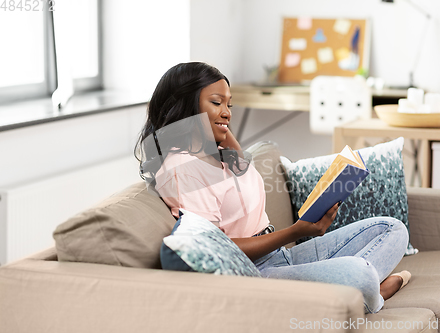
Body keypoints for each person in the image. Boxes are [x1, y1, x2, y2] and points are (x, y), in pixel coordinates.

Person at [135, 62, 411, 314]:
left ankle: (352, 293)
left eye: (230, 104)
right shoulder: (181, 169)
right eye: (217, 102)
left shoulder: (216, 151)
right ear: (186, 106)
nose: (227, 113)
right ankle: (372, 294)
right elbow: (222, 249)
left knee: (393, 229)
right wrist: (295, 232)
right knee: (359, 273)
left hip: (281, 256)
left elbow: (241, 166)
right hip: (257, 273)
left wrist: (214, 123)